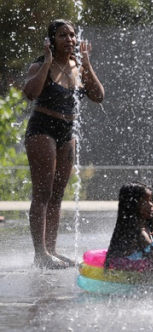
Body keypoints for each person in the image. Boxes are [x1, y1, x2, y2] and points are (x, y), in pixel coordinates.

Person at [23, 19, 105, 269]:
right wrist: (47, 63)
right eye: (62, 35)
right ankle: (40, 254)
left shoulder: (79, 66)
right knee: (43, 193)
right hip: (42, 128)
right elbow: (30, 93)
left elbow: (98, 96)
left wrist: (88, 64)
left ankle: (52, 250)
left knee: (58, 195)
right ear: (51, 40)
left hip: (67, 131)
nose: (70, 39)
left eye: (72, 35)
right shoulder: (40, 65)